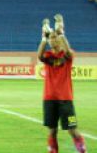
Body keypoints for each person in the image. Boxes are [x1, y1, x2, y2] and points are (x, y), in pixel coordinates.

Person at [38, 14, 87, 153]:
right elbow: (39, 56)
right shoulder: (48, 56)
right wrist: (43, 37)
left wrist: (61, 34)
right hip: (49, 99)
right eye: (51, 37)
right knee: (52, 131)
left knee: (73, 130)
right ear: (49, 40)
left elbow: (69, 51)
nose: (54, 40)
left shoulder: (67, 56)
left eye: (56, 37)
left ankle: (82, 151)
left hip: (66, 100)